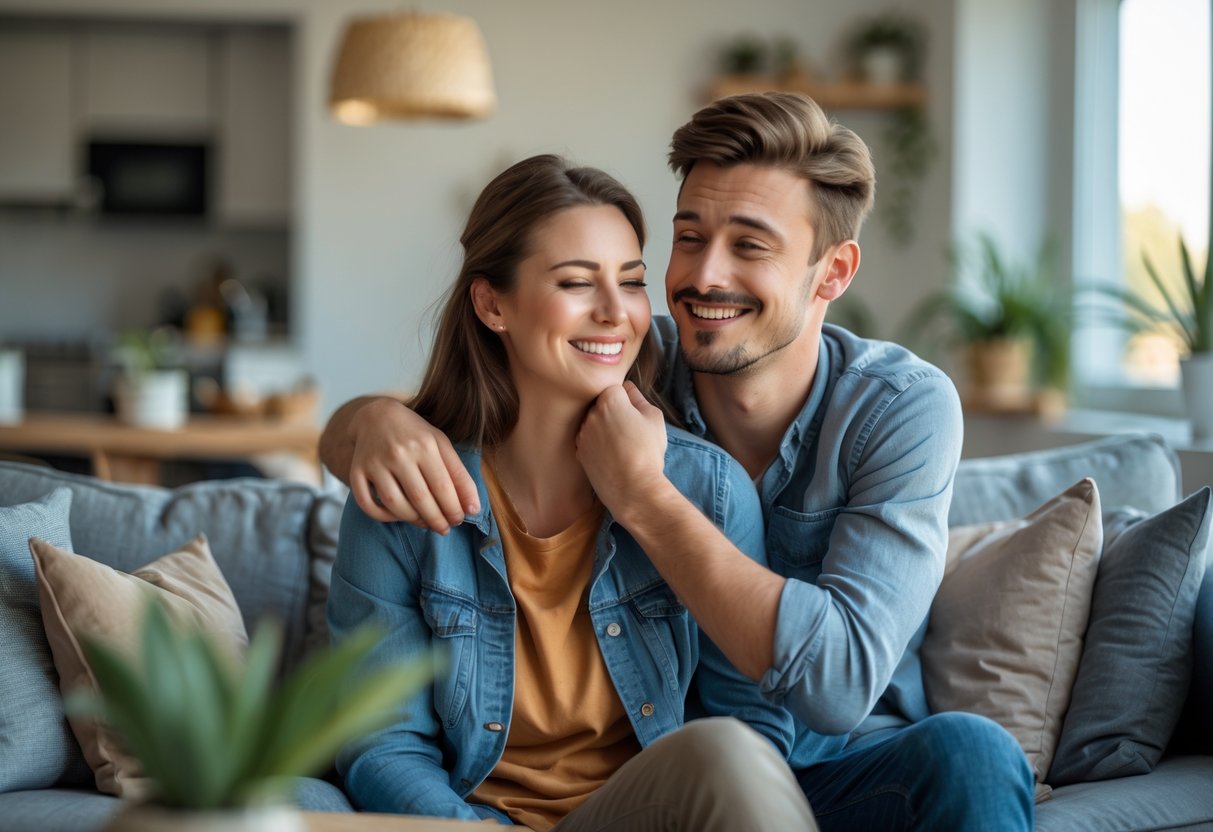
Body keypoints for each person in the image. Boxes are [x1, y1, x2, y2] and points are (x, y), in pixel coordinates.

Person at [321, 94, 1036, 831]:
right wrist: (366, 425)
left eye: (749, 246)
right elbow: (476, 395)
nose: (701, 276)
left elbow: (836, 684)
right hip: (677, 787)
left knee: (972, 754)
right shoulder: (630, 353)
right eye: (688, 237)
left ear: (832, 272)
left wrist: (643, 497)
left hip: (830, 765)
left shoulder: (895, 409)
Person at [326, 153, 816, 831]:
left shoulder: (708, 490)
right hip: (464, 820)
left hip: (636, 819)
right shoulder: (403, 494)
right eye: (577, 284)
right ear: (492, 304)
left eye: (631, 282)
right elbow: (381, 739)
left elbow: (750, 720)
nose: (616, 313)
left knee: (728, 750)